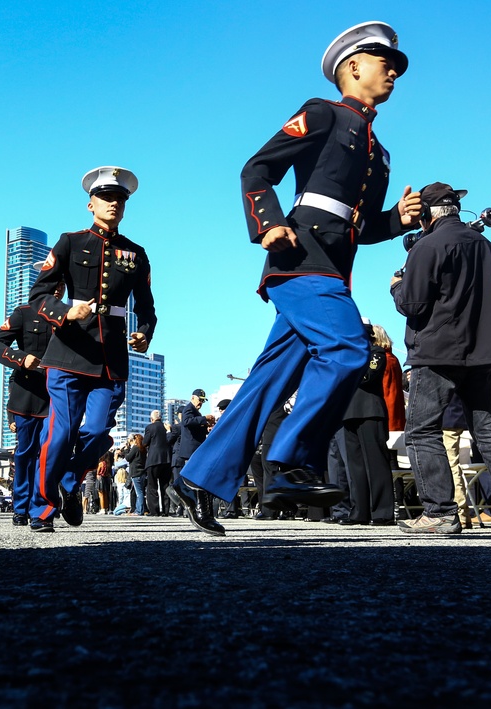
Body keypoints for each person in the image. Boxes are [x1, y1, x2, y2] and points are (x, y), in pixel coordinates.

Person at [168, 22, 421, 536]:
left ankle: (199, 478)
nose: (393, 71)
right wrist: (268, 223)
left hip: (332, 268)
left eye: (396, 66)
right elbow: (257, 169)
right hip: (299, 258)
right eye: (384, 62)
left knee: (268, 381)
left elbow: (362, 224)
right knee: (350, 348)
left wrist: (399, 219)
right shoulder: (324, 112)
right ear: (353, 67)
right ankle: (290, 464)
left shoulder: (379, 151)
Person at [390, 181, 491, 534]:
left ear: (425, 214)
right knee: (489, 433)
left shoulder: (426, 246)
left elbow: (412, 305)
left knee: (422, 431)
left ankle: (439, 513)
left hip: (438, 350)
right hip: (484, 351)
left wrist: (396, 285)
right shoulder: (484, 244)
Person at [24, 166, 157, 532]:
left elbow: (146, 306)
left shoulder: (136, 253)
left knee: (98, 432)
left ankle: (67, 481)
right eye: (106, 198)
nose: (114, 204)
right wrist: (65, 311)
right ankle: (43, 508)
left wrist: (145, 331)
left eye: (120, 200)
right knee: (61, 433)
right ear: (90, 205)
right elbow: (38, 295)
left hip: (111, 357)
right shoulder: (69, 242)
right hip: (68, 351)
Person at [0, 289, 57, 526]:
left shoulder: (70, 316)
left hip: (56, 397)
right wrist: (20, 358)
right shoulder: (24, 313)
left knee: (50, 454)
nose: (57, 288)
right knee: (26, 455)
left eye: (61, 284)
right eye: (53, 283)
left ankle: (42, 508)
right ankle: (21, 507)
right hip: (27, 396)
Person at [339, 321, 395, 526]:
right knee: (355, 467)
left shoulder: (375, 353)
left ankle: (383, 512)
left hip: (370, 412)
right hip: (348, 413)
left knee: (376, 464)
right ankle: (359, 512)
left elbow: (367, 377)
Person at [142, 410, 172, 516]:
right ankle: (165, 511)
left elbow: (145, 443)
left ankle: (154, 511)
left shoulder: (150, 427)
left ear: (152, 419)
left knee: (152, 486)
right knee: (165, 485)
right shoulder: (167, 427)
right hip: (167, 459)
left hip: (153, 460)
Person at [124, 434, 147, 515]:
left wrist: (126, 450)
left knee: (139, 493)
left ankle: (139, 511)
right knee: (141, 492)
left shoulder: (135, 448)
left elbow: (128, 458)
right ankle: (140, 509)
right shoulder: (143, 449)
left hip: (135, 472)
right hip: (142, 472)